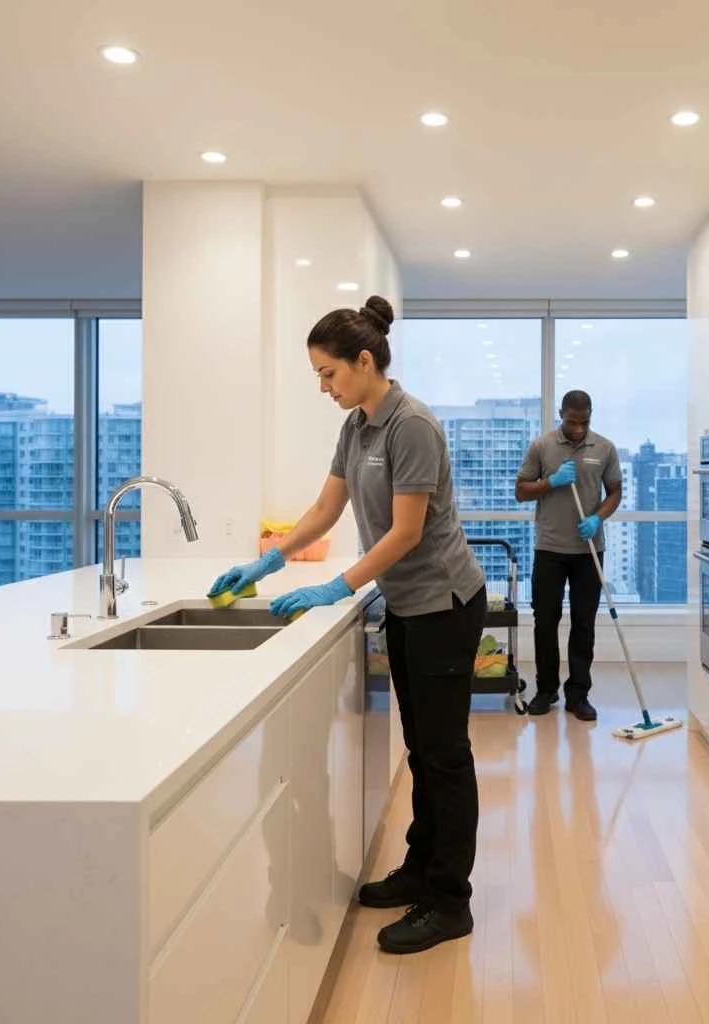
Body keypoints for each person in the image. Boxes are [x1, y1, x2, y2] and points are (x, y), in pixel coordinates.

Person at [208, 295, 487, 956]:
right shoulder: (357, 425)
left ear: (365, 361)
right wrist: (269, 560)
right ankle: (420, 869)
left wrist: (340, 585)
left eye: (328, 373)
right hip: (406, 605)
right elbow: (325, 509)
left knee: (444, 756)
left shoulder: (411, 425)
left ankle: (450, 901)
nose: (323, 387)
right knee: (421, 748)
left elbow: (407, 532)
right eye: (318, 375)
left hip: (444, 605)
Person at [514, 390, 622, 721]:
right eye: (572, 422)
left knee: (583, 624)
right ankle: (546, 690)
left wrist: (598, 518)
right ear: (561, 414)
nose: (578, 429)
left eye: (584, 422)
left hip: (589, 550)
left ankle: (578, 695)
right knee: (545, 622)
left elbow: (615, 492)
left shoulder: (604, 448)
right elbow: (521, 490)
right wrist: (551, 482)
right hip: (550, 549)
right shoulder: (542, 446)